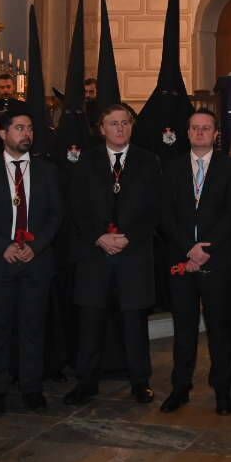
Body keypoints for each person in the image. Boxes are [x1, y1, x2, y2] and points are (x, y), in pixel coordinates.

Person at [65, 103, 163, 406]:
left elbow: (155, 209)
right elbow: (76, 207)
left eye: (125, 123)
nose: (120, 128)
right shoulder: (86, 161)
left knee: (134, 323)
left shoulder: (149, 162)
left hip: (133, 256)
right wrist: (98, 236)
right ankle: (86, 382)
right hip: (95, 255)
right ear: (102, 128)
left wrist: (128, 238)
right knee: (91, 322)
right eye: (113, 123)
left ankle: (139, 382)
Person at [0, 107, 61, 414]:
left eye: (30, 128)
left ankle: (32, 388)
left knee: (33, 327)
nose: (27, 134)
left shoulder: (47, 170)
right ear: (2, 132)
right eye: (19, 128)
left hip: (36, 261)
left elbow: (56, 215)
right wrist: (2, 245)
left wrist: (39, 246)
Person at [160, 108, 231, 415]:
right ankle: (180, 387)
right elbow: (165, 215)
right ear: (187, 132)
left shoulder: (229, 167)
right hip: (181, 260)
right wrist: (188, 249)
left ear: (216, 133)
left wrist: (205, 249)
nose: (200, 133)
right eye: (194, 128)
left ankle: (222, 390)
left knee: (219, 329)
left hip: (217, 260)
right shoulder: (170, 168)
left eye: (206, 128)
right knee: (183, 328)